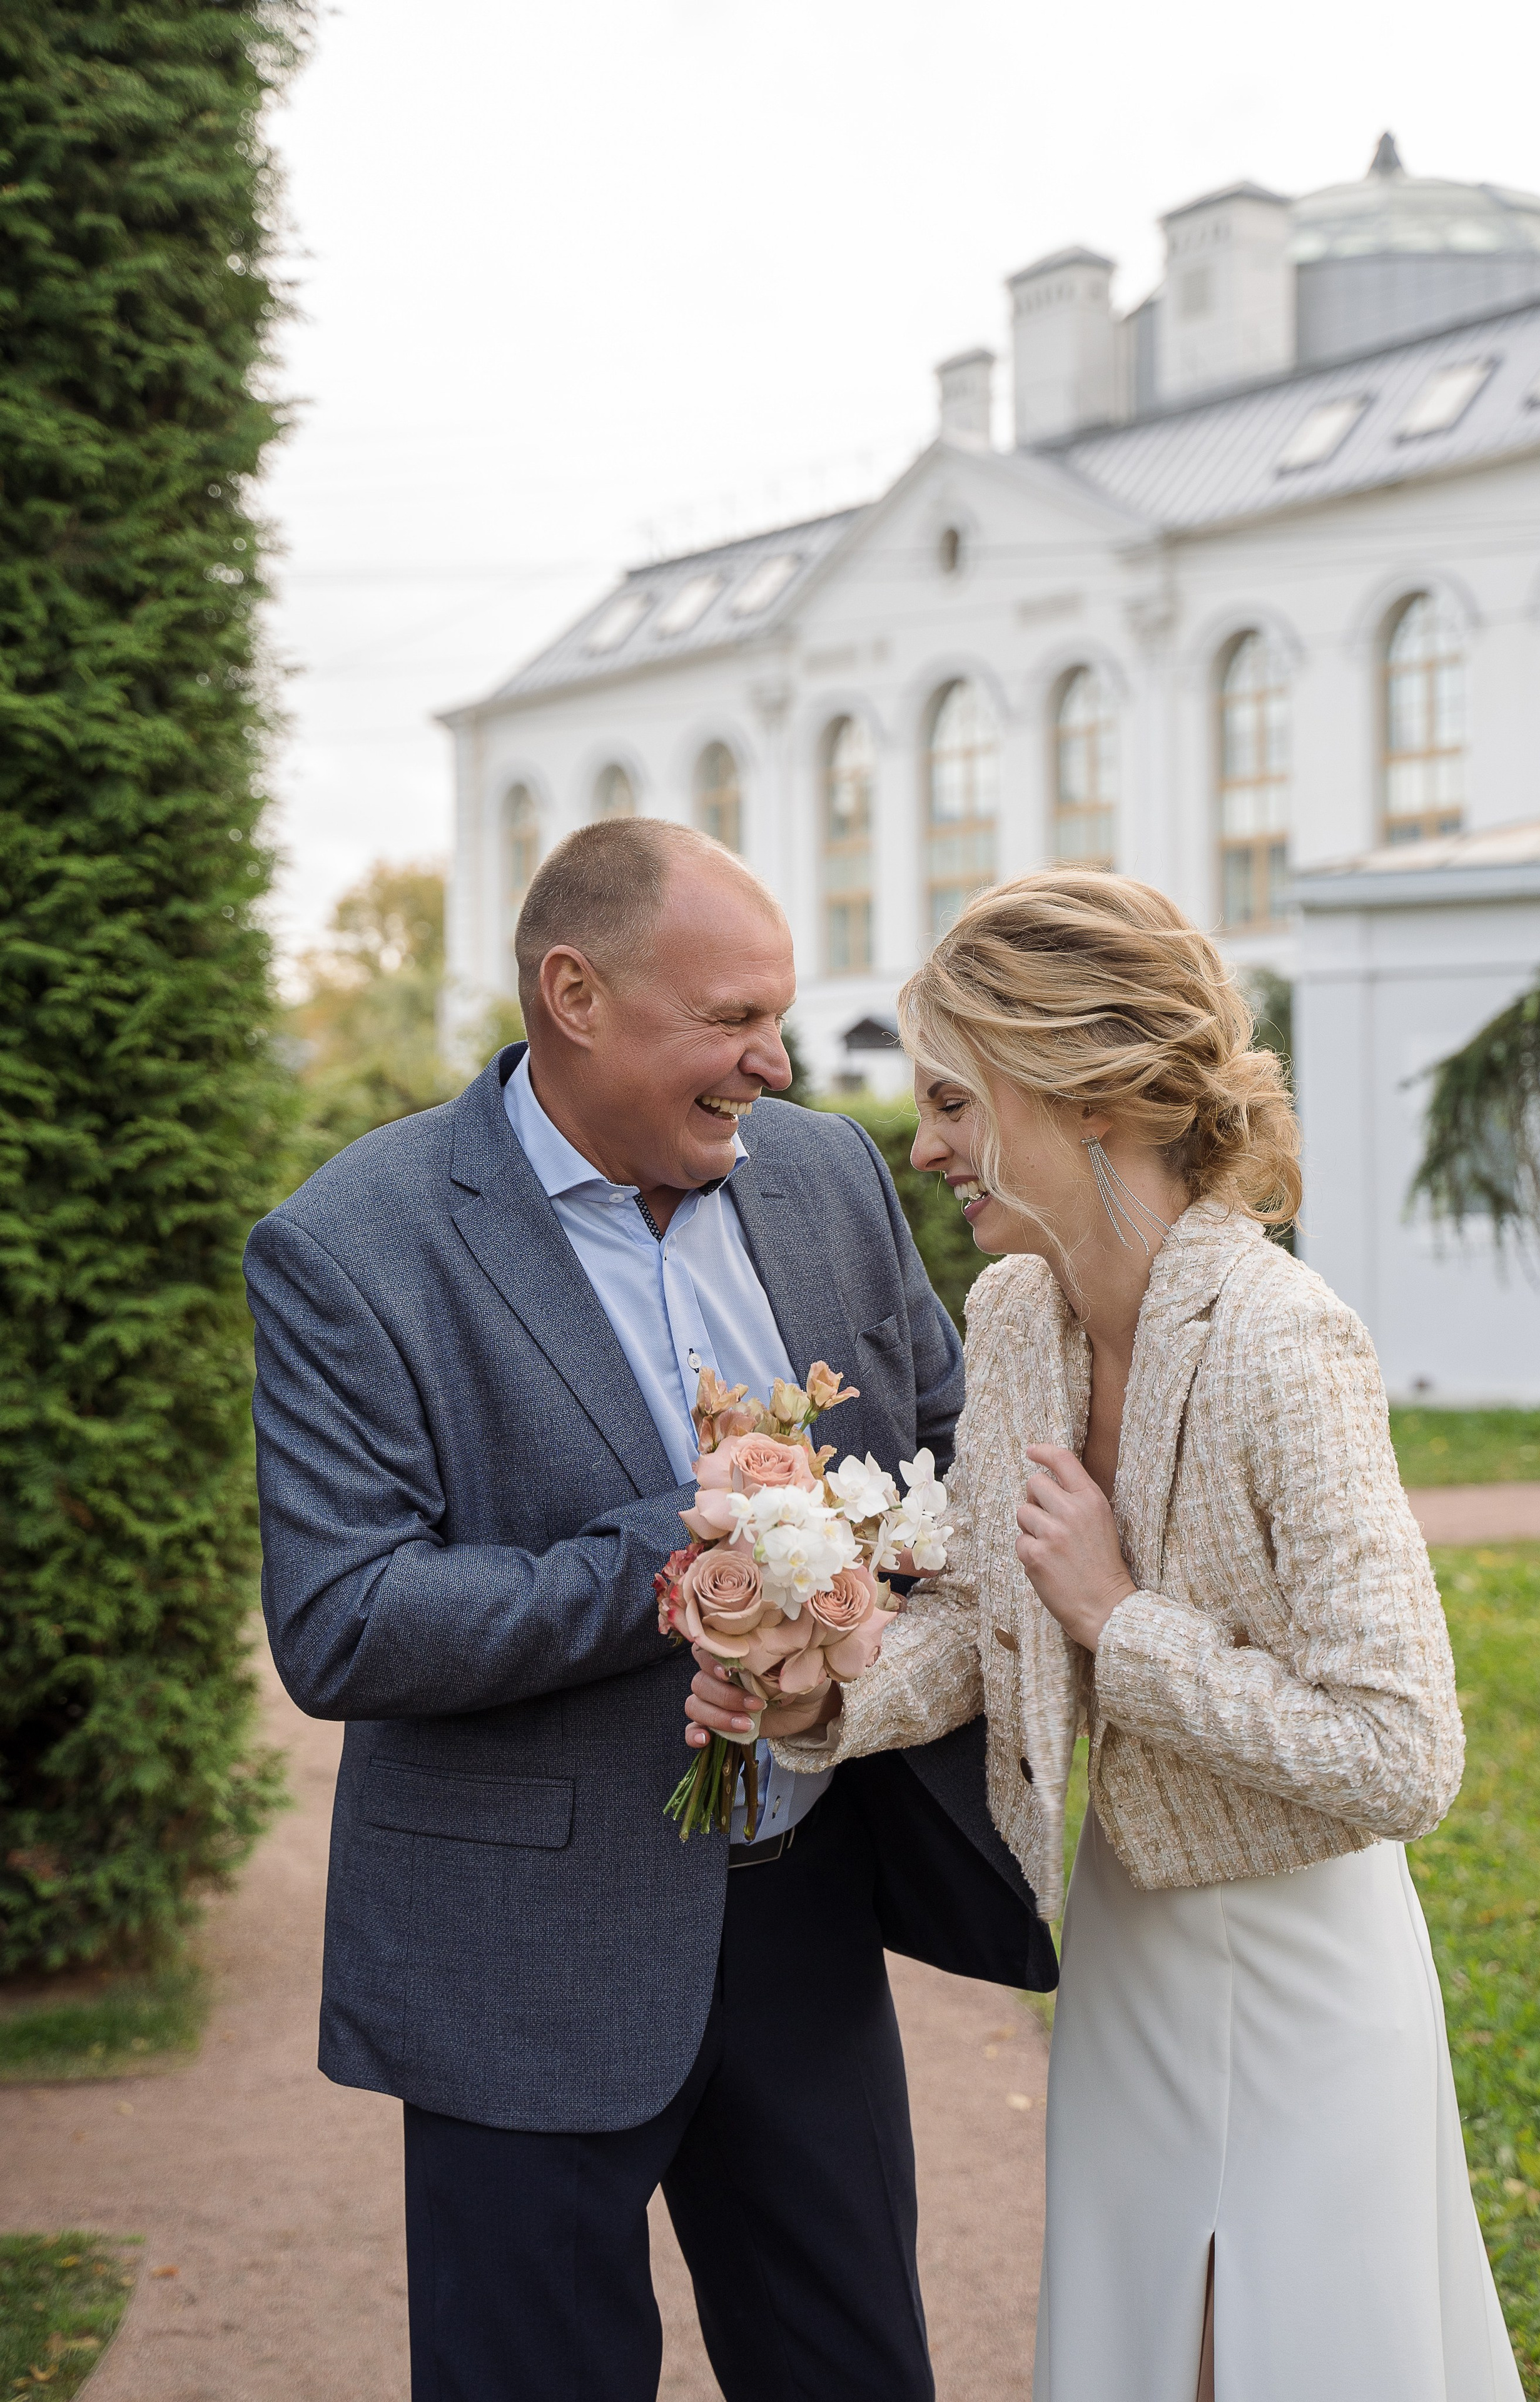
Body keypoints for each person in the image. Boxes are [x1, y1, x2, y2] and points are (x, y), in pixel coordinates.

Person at [245, 817, 1055, 2402]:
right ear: (574, 994)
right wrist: (675, 1560)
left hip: (807, 1904)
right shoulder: (351, 1246)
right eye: (731, 1019)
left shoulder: (824, 1176)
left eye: (780, 1016)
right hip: (522, 1957)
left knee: (854, 2370)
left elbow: (946, 1454)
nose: (774, 1060)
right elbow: (341, 1620)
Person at [691, 868, 1522, 2401]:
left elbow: (1401, 1752)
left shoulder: (1283, 1340)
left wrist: (1118, 1621)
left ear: (1071, 1087)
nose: (923, 1144)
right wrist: (812, 1691)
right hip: (1128, 1942)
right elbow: (986, 1627)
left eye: (949, 1100)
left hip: (1302, 1972)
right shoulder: (1015, 1312)